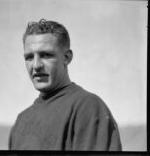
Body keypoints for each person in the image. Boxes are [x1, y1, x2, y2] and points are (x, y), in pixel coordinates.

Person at [8, 19, 122, 151]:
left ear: (67, 57)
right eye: (29, 57)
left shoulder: (87, 107)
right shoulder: (21, 121)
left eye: (46, 55)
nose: (36, 65)